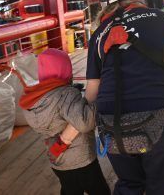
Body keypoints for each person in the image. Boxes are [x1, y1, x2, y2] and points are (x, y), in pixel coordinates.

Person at [86, 0, 164, 195]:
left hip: (112, 123)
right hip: (157, 113)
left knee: (130, 183)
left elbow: (92, 93)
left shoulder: (99, 33)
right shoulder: (160, 17)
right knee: (160, 185)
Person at [19, 48, 110, 195]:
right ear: (66, 71)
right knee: (100, 190)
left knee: (70, 190)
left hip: (58, 162)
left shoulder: (34, 100)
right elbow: (84, 122)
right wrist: (98, 102)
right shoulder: (65, 94)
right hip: (81, 160)